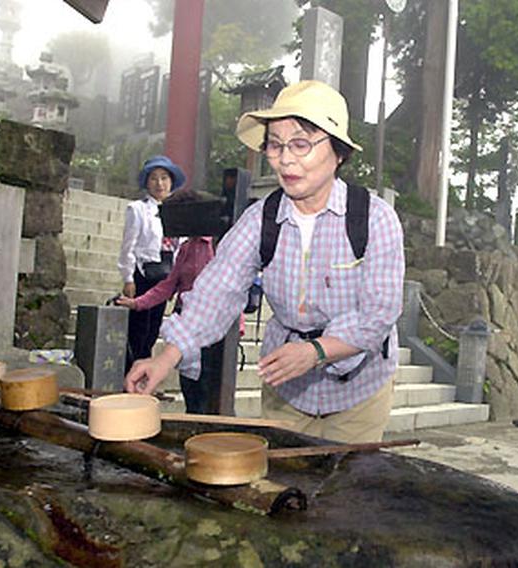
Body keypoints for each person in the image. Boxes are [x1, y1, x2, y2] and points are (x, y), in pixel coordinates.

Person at [124, 80, 405, 444]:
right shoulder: (262, 219)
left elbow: (379, 312)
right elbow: (217, 291)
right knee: (285, 487)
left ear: (338, 153)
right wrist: (165, 357)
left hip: (359, 388)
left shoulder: (375, 218)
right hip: (286, 386)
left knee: (344, 491)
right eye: (275, 145)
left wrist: (317, 351)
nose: (285, 158)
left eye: (301, 143)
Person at [117, 189, 217, 414]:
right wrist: (137, 303)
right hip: (186, 325)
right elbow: (169, 285)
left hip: (212, 328)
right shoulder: (187, 247)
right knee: (190, 387)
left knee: (207, 391)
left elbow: (229, 288)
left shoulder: (217, 245)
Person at [117, 155, 184, 372]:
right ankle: (132, 372)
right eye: (154, 178)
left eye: (164, 178)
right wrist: (128, 277)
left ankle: (144, 372)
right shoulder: (137, 209)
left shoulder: (178, 211)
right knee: (138, 327)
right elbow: (129, 246)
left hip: (165, 276)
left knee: (154, 328)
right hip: (143, 273)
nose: (159, 183)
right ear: (147, 182)